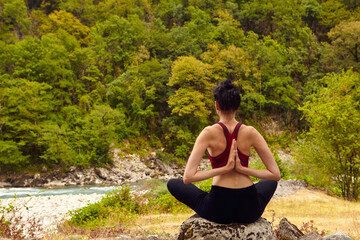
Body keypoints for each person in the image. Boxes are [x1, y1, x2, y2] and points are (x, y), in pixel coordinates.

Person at [167, 79, 281, 224]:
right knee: (269, 183)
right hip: (249, 209)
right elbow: (275, 174)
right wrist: (242, 169)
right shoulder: (251, 132)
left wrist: (222, 169)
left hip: (218, 209)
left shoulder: (208, 133)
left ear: (216, 105)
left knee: (173, 183)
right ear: (237, 106)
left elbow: (188, 177)